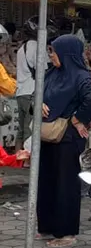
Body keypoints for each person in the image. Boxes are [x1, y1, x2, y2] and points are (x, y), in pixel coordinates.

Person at [38, 35, 91, 247]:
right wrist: (37, 105)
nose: (51, 56)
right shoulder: (51, 73)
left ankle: (66, 233)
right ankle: (47, 226)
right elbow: (35, 95)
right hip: (47, 135)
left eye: (53, 52)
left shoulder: (82, 76)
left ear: (67, 53)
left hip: (68, 139)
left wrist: (76, 118)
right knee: (46, 181)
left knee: (65, 184)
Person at [14, 17, 55, 151]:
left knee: (21, 129)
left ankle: (18, 160)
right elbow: (43, 71)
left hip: (20, 93)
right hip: (32, 93)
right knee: (30, 128)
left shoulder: (22, 48)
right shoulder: (37, 47)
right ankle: (27, 162)